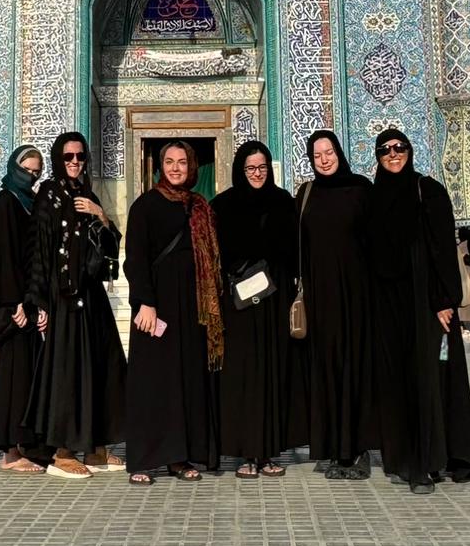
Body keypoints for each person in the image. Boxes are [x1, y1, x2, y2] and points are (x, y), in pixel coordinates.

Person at [369, 128, 470, 494]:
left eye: (399, 148)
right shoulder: (376, 197)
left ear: (410, 150)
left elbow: (441, 250)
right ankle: (403, 457)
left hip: (427, 305)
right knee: (398, 380)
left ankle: (428, 462)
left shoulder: (428, 190)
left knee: (428, 380)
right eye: (385, 150)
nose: (393, 154)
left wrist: (445, 301)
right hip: (389, 306)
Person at [22, 131, 126, 479]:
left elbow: (112, 247)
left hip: (91, 298)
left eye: (80, 156)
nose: (75, 162)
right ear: (58, 159)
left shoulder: (88, 195)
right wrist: (40, 303)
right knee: (68, 372)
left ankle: (96, 447)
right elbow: (38, 251)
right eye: (68, 157)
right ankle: (63, 450)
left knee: (101, 367)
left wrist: (100, 213)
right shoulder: (49, 196)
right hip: (63, 298)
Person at [124, 139, 222, 484]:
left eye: (182, 161)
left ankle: (179, 458)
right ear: (159, 166)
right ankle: (142, 460)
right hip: (157, 308)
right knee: (154, 382)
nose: (176, 168)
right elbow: (135, 259)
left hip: (192, 308)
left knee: (184, 381)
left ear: (191, 166)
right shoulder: (145, 206)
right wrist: (144, 302)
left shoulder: (199, 205)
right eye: (169, 161)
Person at [211, 139, 300, 478]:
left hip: (275, 299)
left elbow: (293, 250)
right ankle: (245, 451)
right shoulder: (224, 205)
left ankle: (267, 452)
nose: (257, 173)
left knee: (271, 372)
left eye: (262, 167)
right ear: (239, 170)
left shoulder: (283, 202)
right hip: (240, 302)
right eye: (250, 168)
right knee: (243, 374)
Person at [297, 129, 377, 479]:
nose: (324, 160)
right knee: (325, 367)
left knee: (354, 366)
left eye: (329, 152)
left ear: (339, 153)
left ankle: (357, 449)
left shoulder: (360, 189)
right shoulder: (306, 193)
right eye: (317, 155)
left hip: (356, 297)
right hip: (320, 297)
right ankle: (330, 446)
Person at [0, 144, 55, 474]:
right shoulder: (4, 202)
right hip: (15, 306)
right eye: (26, 169)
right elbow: (2, 256)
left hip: (29, 301)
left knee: (27, 374)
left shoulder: (30, 203)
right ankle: (9, 453)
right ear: (14, 168)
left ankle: (26, 444)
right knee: (12, 376)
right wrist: (13, 303)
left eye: (36, 170)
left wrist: (37, 300)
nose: (31, 175)